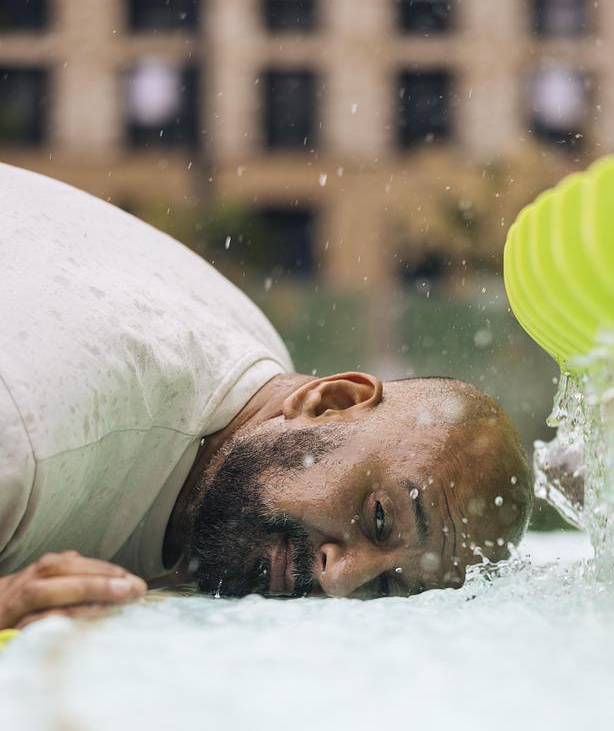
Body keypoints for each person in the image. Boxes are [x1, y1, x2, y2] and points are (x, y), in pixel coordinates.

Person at [0, 163, 532, 631]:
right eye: (378, 518)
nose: (341, 579)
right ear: (330, 400)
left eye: (389, 587)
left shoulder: (255, 377)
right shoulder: (28, 439)